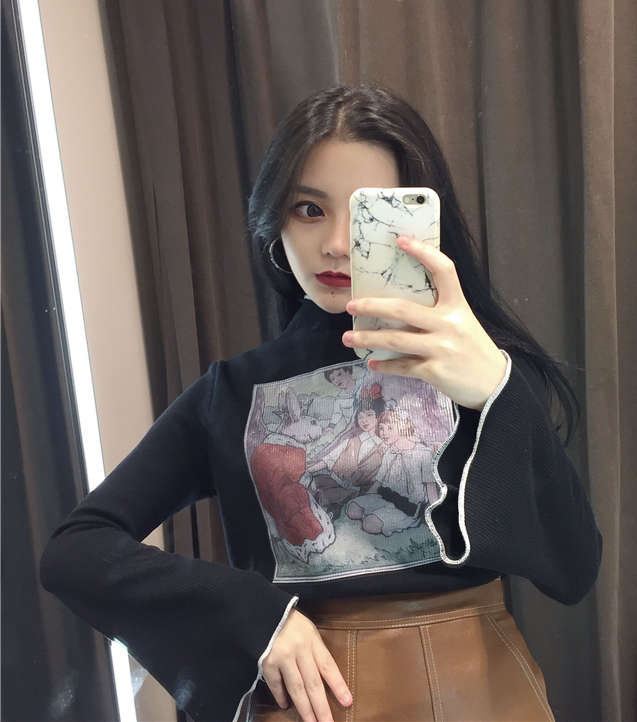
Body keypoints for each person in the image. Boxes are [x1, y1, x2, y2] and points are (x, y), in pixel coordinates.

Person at [39, 83, 603, 722]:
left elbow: (574, 569)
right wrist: (252, 613)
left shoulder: (478, 367)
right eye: (309, 208)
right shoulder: (232, 393)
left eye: (370, 213)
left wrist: (497, 389)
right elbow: (74, 550)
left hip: (477, 692)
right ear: (274, 221)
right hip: (308, 699)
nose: (337, 242)